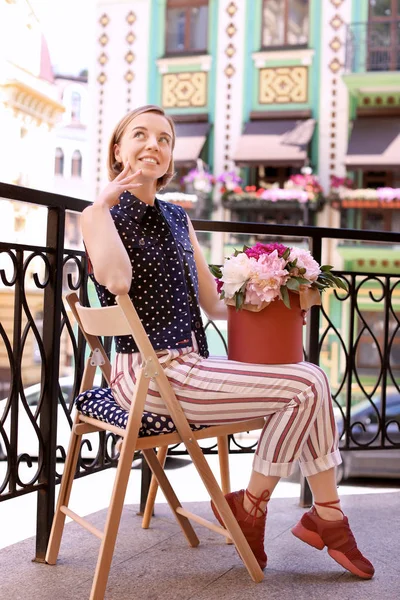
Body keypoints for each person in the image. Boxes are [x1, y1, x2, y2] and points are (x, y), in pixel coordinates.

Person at [81, 104, 374, 580]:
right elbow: (115, 280)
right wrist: (102, 206)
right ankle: (271, 511)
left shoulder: (179, 218)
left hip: (190, 365)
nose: (153, 144)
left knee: (312, 378)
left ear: (172, 157)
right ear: (119, 150)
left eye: (164, 139)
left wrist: (275, 290)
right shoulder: (98, 216)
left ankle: (322, 514)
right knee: (306, 385)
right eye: (140, 136)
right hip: (144, 374)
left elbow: (214, 303)